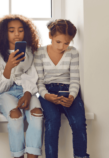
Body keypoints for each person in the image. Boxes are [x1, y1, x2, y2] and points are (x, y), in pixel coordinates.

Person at [34, 19, 89, 158]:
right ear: (50, 36)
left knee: (79, 123)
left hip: (69, 91)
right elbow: (39, 82)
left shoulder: (73, 52)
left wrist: (71, 96)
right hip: (47, 91)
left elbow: (75, 80)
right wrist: (46, 96)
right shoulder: (39, 53)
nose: (62, 47)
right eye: (58, 42)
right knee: (52, 121)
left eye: (66, 43)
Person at [0, 14, 43, 158]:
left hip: (27, 91)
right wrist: (8, 67)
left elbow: (33, 76)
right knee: (15, 116)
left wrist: (27, 93)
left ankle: (32, 155)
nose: (16, 34)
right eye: (11, 30)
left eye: (20, 30)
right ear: (4, 32)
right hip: (6, 93)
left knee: (37, 113)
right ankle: (18, 155)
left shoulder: (30, 52)